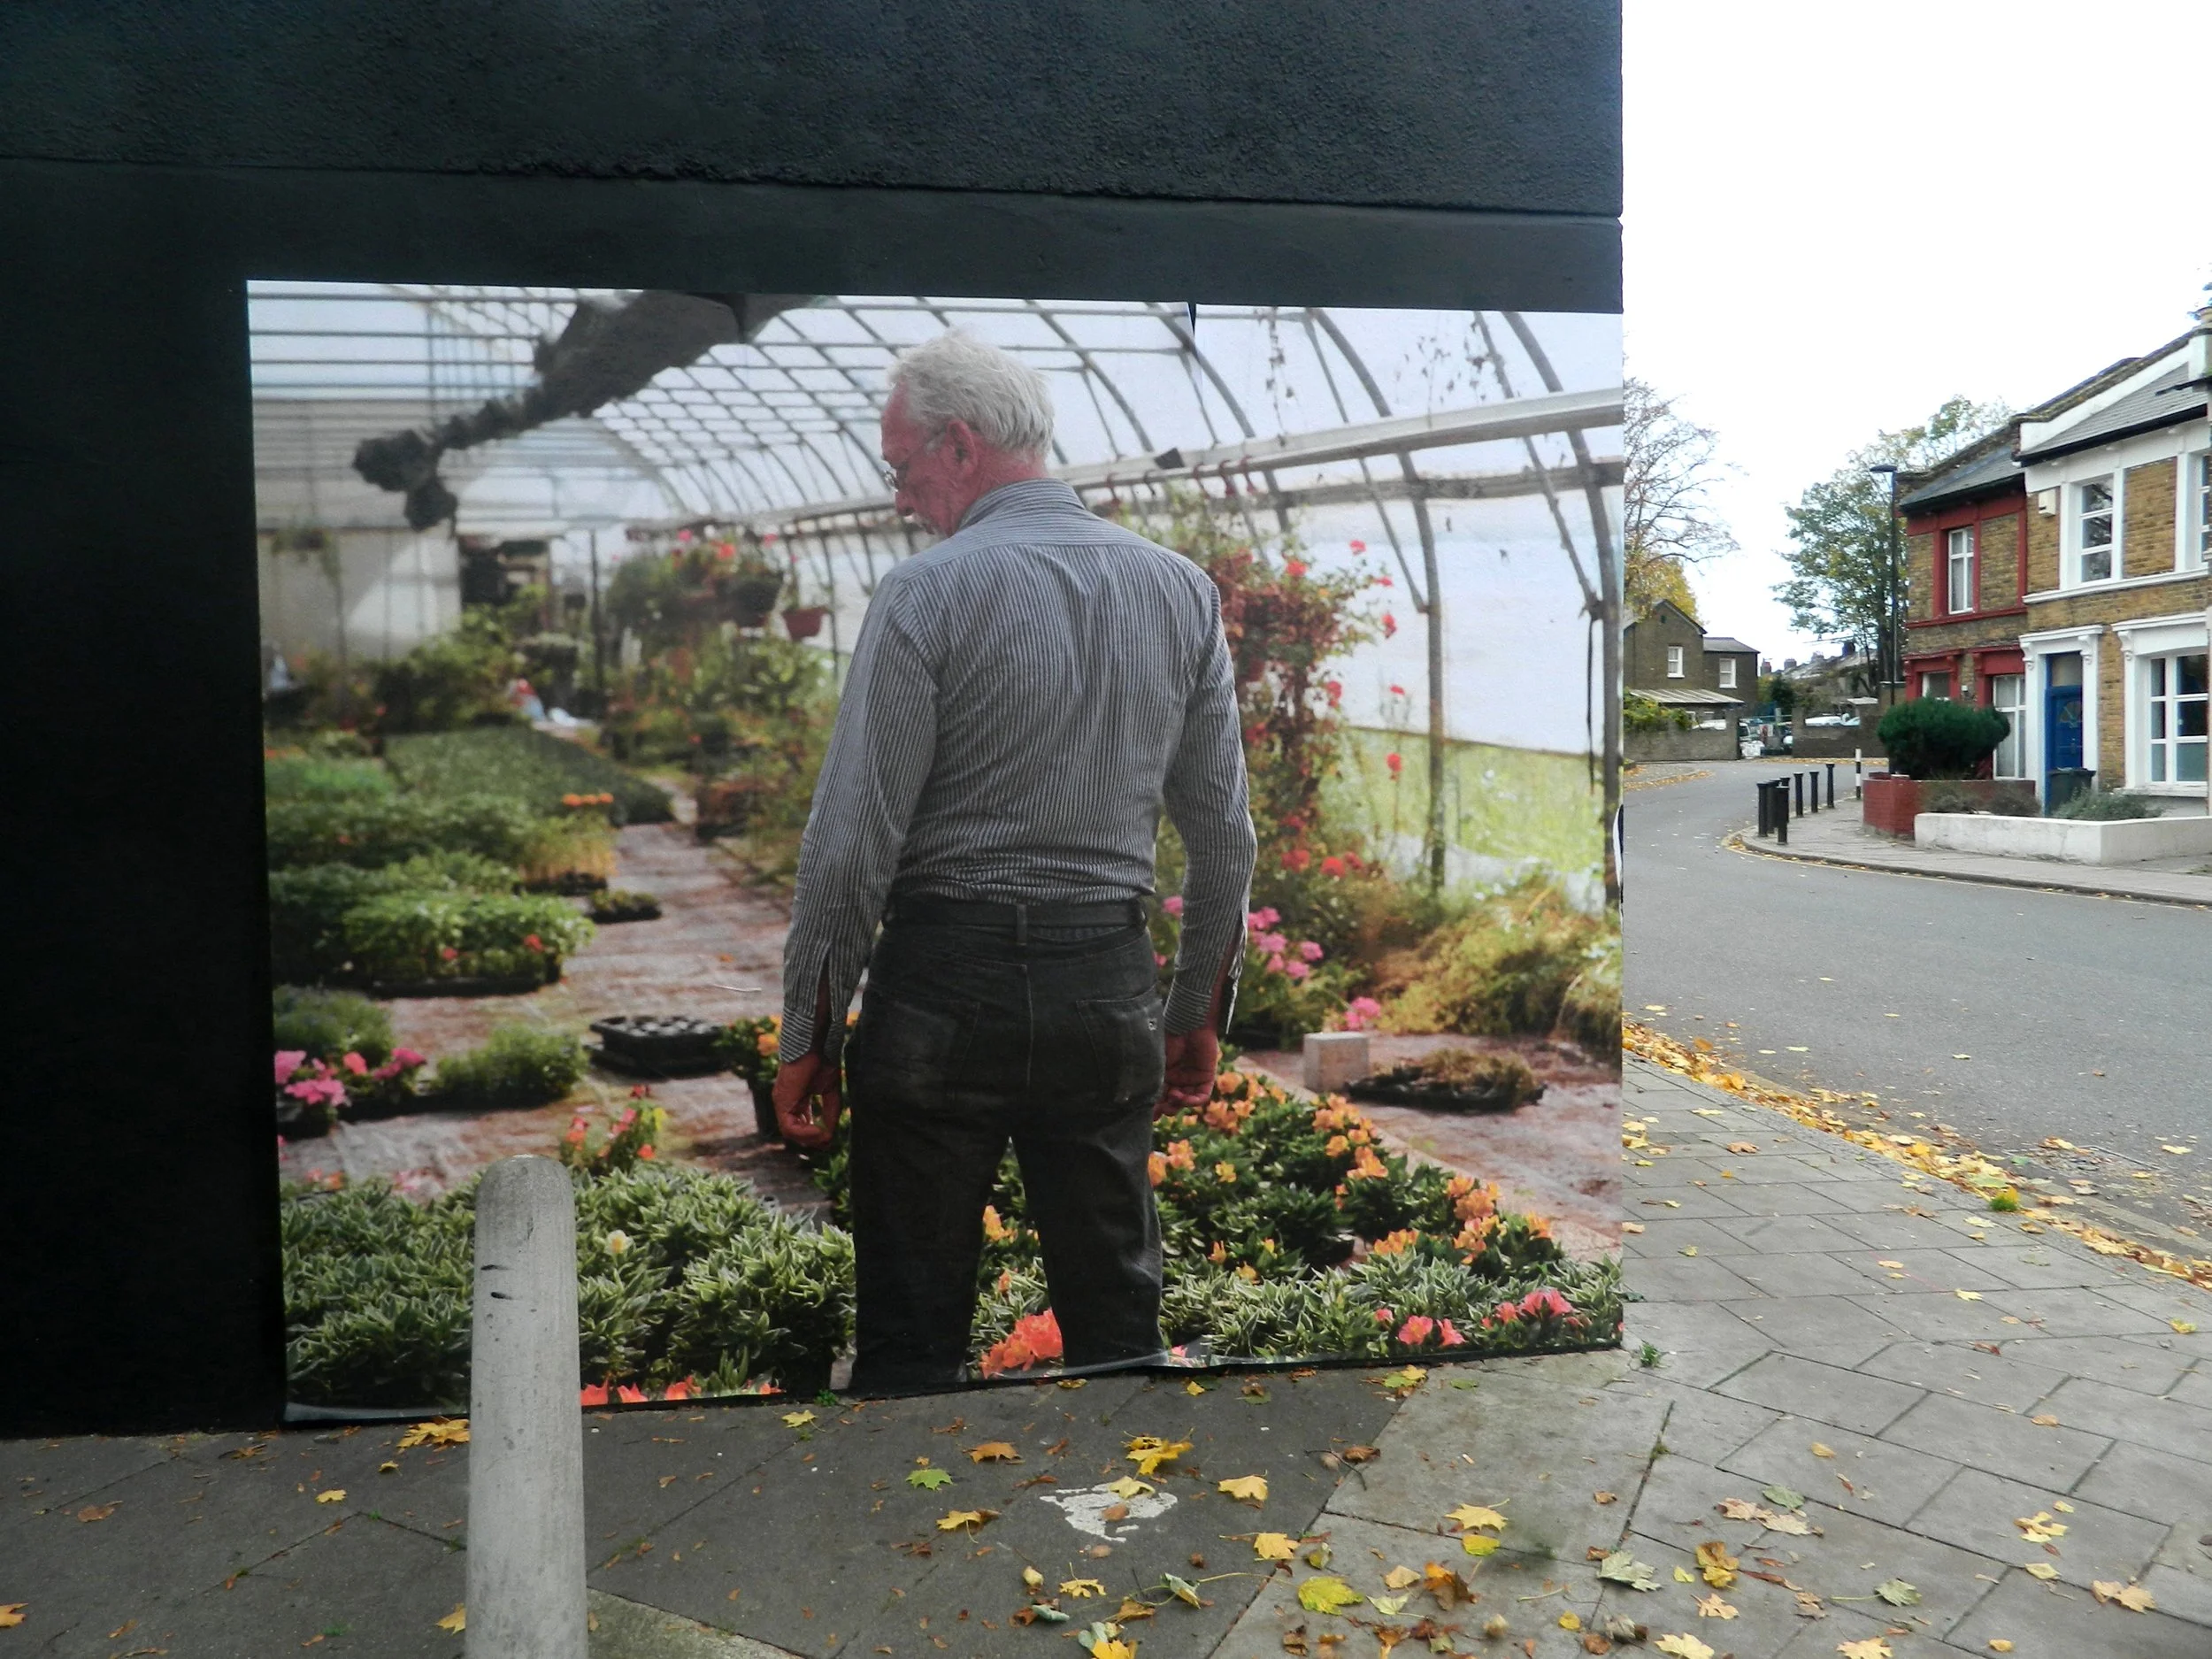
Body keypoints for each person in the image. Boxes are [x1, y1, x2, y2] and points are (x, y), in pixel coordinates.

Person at [771, 330, 1256, 1396]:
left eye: (901, 469)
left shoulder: (924, 594)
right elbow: (1225, 836)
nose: (899, 497)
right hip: (1105, 993)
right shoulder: (1178, 591)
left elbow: (852, 845)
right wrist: (1195, 1014)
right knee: (1117, 1316)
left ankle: (904, 1542)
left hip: (942, 993)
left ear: (957, 444)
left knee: (910, 1322)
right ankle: (1130, 1526)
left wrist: (806, 1032)